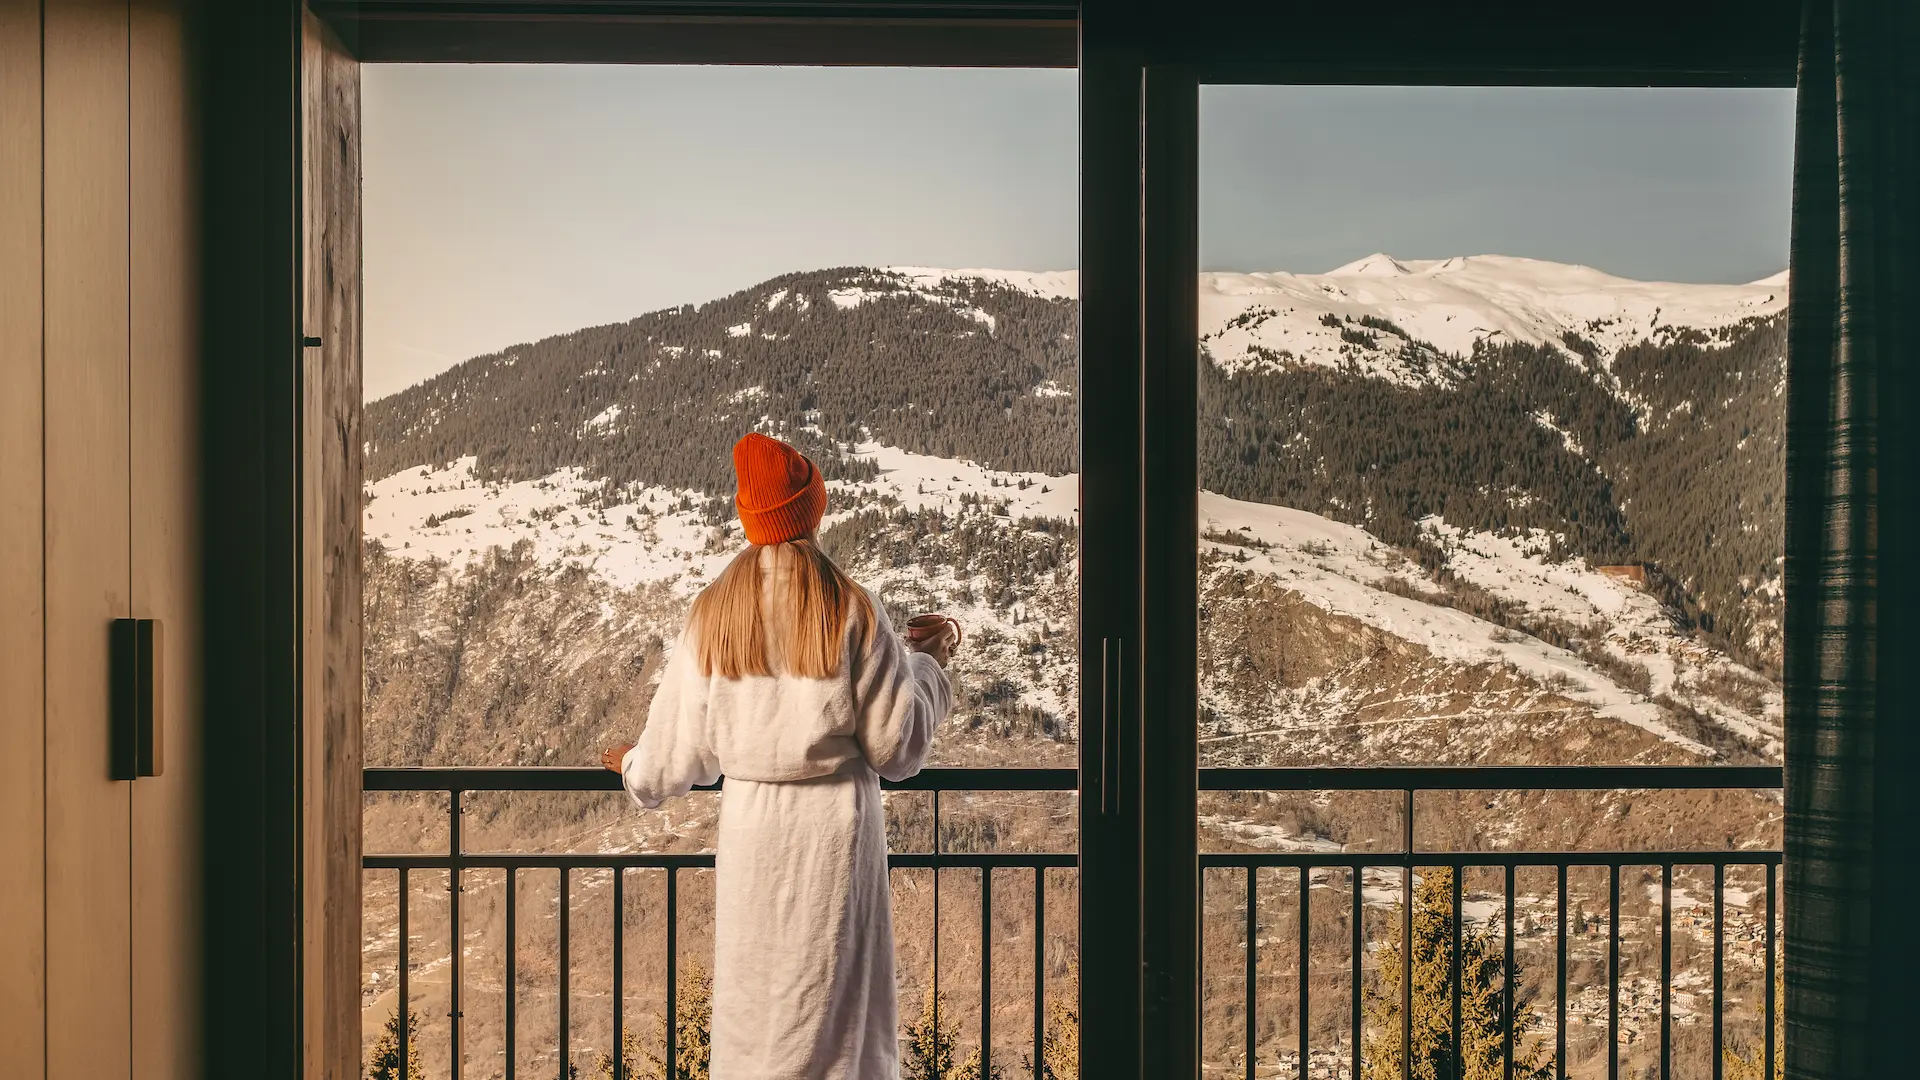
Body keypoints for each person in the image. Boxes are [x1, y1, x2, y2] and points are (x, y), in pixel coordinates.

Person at [600, 432, 956, 1078]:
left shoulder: (712, 616)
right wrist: (928, 666)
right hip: (836, 846)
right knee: (837, 1028)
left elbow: (666, 763)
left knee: (758, 1017)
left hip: (754, 844)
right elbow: (897, 746)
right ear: (811, 510)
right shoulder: (851, 608)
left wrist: (631, 762)